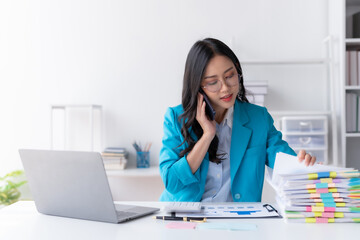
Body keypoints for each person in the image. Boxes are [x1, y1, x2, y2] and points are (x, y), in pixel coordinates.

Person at [159, 38, 316, 202]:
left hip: (240, 219)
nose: (225, 88)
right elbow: (171, 182)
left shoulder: (258, 118)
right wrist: (207, 136)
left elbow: (283, 161)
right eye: (213, 82)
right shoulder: (176, 118)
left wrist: (302, 165)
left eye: (230, 76)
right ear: (198, 85)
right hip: (188, 220)